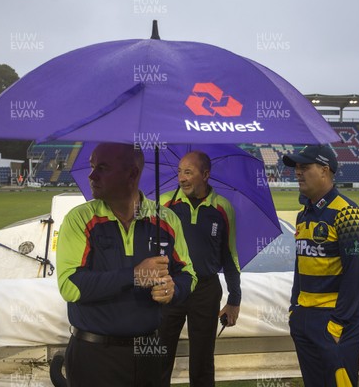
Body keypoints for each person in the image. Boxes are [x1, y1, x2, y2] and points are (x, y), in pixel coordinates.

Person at [56, 143, 197, 387]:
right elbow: (70, 287)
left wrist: (174, 289)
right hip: (94, 352)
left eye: (102, 168)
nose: (92, 176)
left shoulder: (166, 220)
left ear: (132, 174)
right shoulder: (80, 219)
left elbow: (189, 275)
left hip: (149, 349)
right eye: (92, 167)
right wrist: (133, 275)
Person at [282, 145, 359, 387]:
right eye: (296, 168)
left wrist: (337, 323)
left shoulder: (348, 213)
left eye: (304, 167)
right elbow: (300, 266)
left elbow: (355, 276)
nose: (298, 173)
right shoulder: (303, 215)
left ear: (324, 170)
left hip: (334, 320)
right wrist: (294, 309)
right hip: (304, 318)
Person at [159, 151, 241, 387]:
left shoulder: (223, 208)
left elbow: (229, 255)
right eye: (179, 172)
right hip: (171, 287)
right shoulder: (164, 204)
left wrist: (235, 298)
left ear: (205, 175)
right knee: (159, 357)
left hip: (206, 289)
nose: (181, 178)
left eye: (188, 172)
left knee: (202, 361)